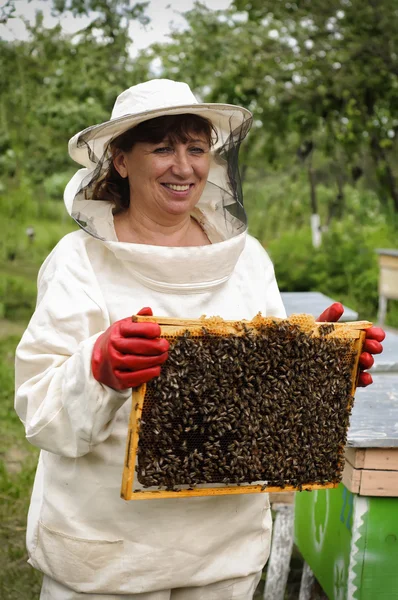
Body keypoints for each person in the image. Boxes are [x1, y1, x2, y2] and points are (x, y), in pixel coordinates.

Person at [15, 79, 384, 600]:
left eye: (196, 148)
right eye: (162, 147)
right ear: (120, 161)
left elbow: (267, 409)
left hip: (223, 548)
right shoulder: (78, 260)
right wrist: (97, 368)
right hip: (108, 551)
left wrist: (317, 363)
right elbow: (39, 414)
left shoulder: (247, 257)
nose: (183, 167)